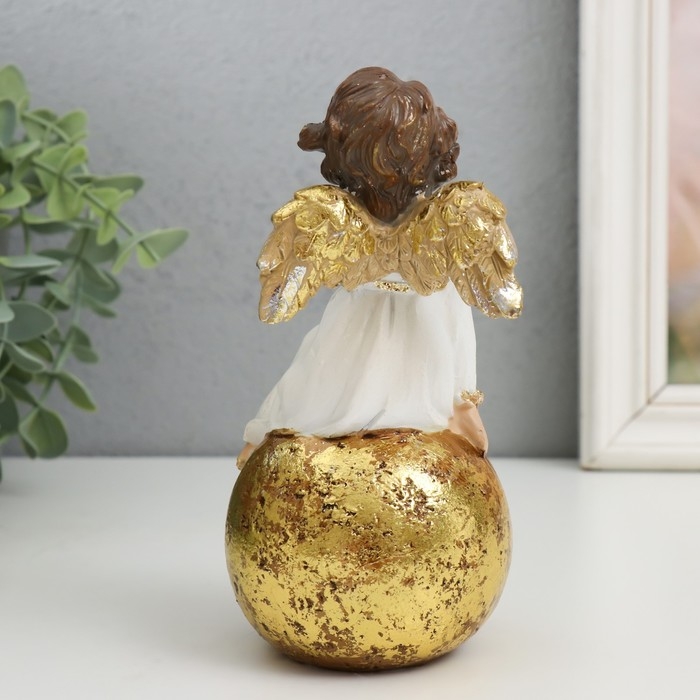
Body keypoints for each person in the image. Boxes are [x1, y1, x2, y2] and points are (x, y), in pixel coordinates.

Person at [238, 67, 522, 467]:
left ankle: (276, 432)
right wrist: (462, 399)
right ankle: (277, 433)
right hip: (410, 322)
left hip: (372, 323)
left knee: (326, 375)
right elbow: (480, 312)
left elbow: (277, 306)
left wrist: (462, 401)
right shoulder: (447, 219)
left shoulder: (339, 218)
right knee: (333, 376)